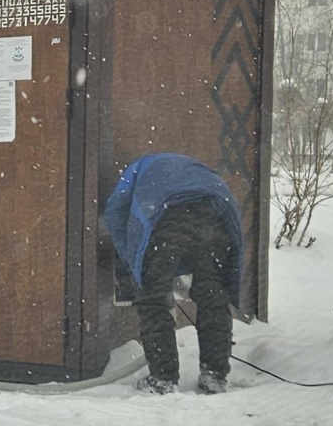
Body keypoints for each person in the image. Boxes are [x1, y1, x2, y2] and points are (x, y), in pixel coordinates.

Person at [104, 151, 244, 397]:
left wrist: (133, 261)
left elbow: (116, 211)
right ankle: (215, 375)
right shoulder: (193, 167)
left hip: (166, 215)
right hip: (216, 211)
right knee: (213, 294)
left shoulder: (137, 171)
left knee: (154, 299)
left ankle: (163, 379)